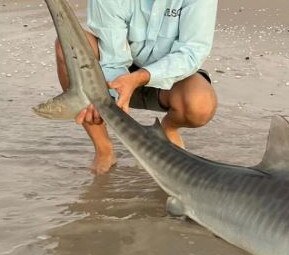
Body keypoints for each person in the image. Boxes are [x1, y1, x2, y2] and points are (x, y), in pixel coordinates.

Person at [54, 0, 219, 174]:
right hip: (117, 71)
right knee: (67, 46)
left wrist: (141, 77)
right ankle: (104, 149)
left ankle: (166, 130)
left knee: (201, 104)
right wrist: (101, 100)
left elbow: (192, 52)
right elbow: (113, 61)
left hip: (171, 76)